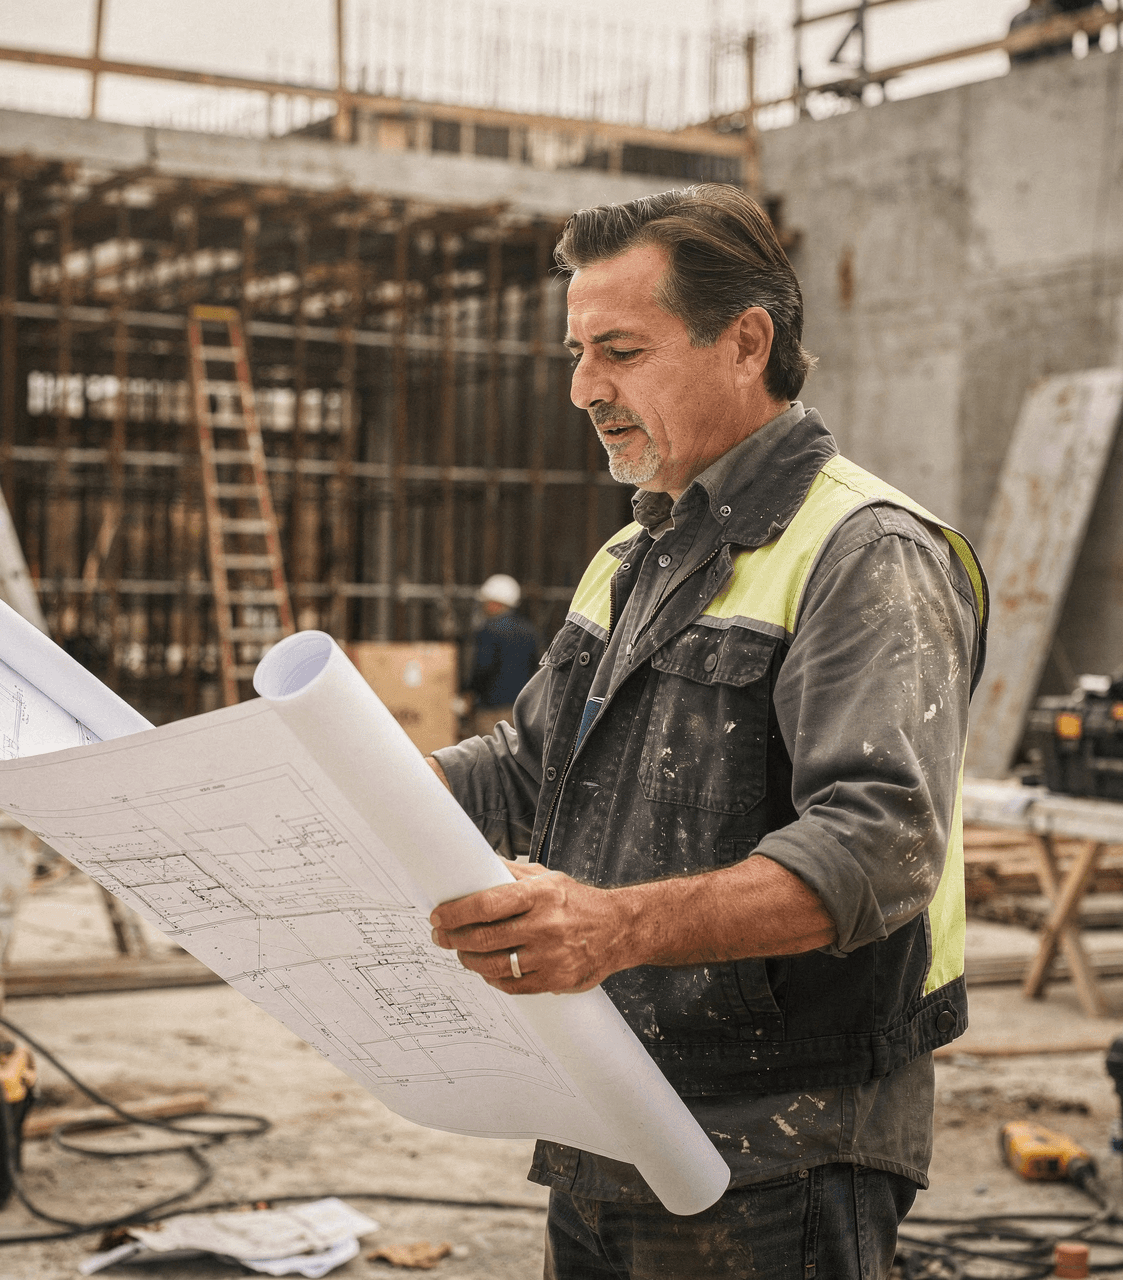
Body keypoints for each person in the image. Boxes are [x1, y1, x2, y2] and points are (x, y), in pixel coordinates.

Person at [422, 185, 988, 1278]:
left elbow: (877, 847)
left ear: (746, 342)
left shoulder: (865, 552)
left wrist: (616, 926)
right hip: (607, 1107)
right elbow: (529, 766)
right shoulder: (632, 556)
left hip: (780, 1149)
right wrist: (346, 787)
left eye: (621, 351)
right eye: (578, 353)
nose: (585, 389)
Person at [465, 574, 544, 740]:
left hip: (491, 710)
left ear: (495, 603)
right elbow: (535, 667)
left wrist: (470, 692)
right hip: (521, 710)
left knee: (487, 751)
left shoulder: (488, 631)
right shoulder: (529, 630)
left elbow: (483, 667)